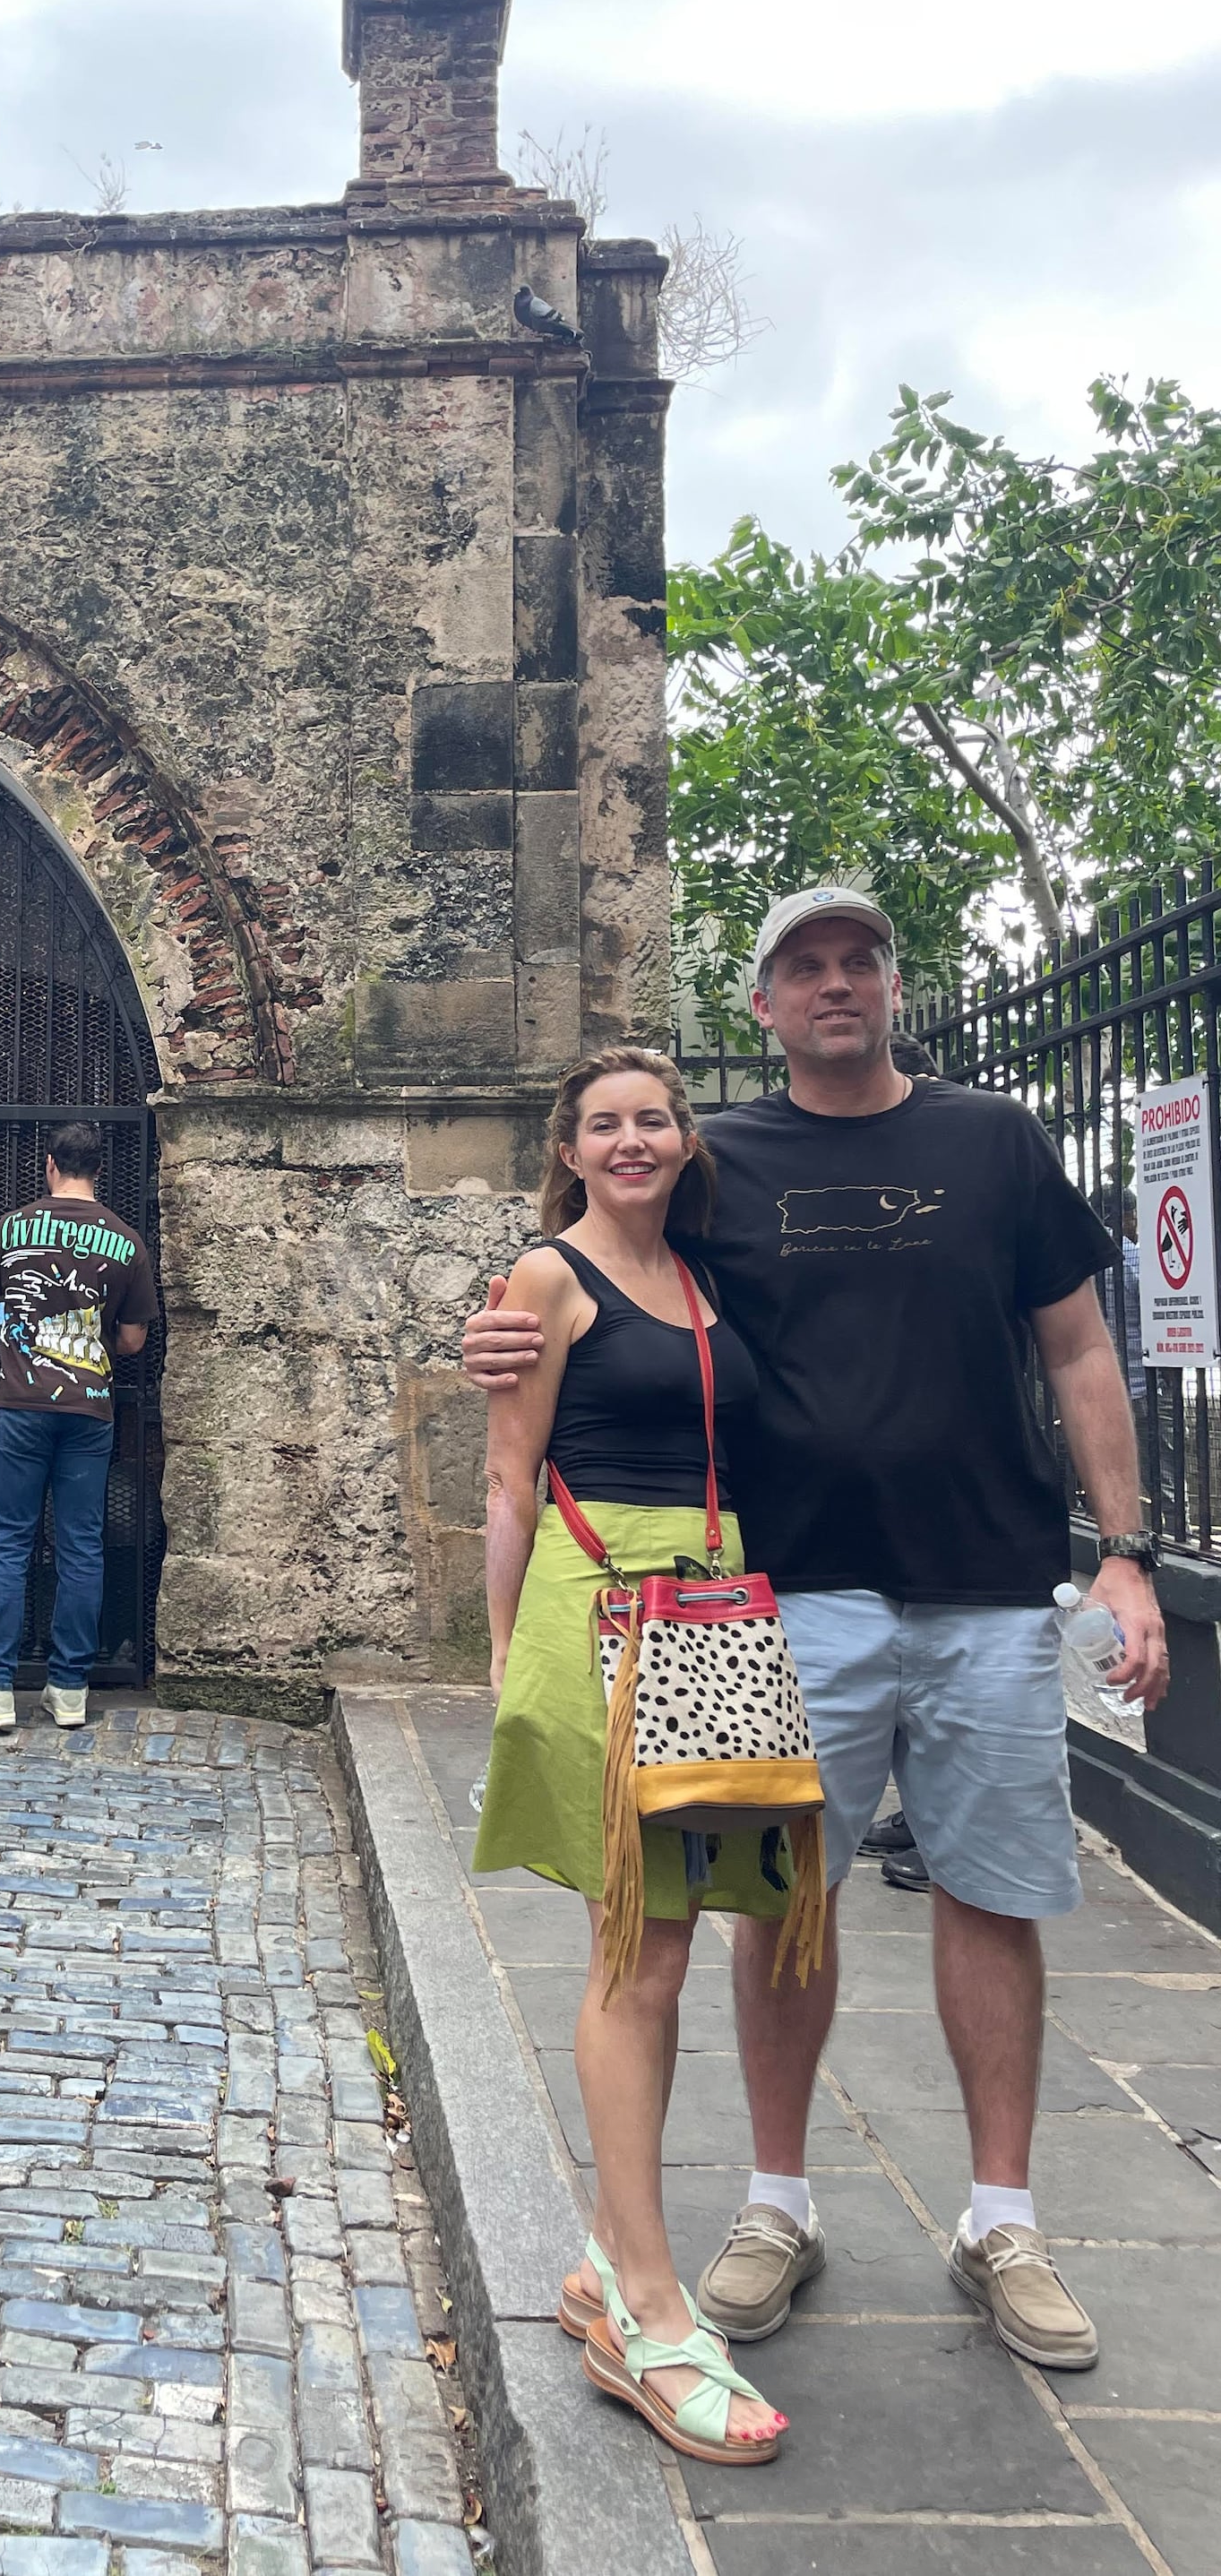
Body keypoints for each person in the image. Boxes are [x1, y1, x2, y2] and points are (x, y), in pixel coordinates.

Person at [464, 886, 1169, 2372]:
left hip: (986, 1580)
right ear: (768, 1004)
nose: (836, 985)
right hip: (781, 1594)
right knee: (777, 1898)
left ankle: (1001, 2218)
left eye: (859, 961)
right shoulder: (729, 1162)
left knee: (993, 1889)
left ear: (891, 986)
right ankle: (777, 2200)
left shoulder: (994, 1140)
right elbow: (614, 1267)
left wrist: (1127, 1556)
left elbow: (1080, 1345)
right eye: (805, 968)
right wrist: (499, 1324)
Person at [475, 1048, 790, 2464]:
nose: (632, 1139)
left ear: (684, 1139)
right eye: (604, 1122)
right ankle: (650, 2313)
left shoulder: (704, 1275)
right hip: (603, 1613)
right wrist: (505, 1671)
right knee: (641, 1948)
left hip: (707, 1615)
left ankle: (613, 2255)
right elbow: (507, 1475)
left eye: (654, 1118)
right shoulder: (549, 1277)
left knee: (670, 1939)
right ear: (570, 1147)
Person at [0, 1120, 159, 1736]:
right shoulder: (126, 1241)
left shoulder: (10, 1230)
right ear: (98, 1169)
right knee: (81, 1546)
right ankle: (68, 1688)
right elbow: (134, 1338)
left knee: (8, 1542)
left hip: (18, 1403)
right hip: (89, 1408)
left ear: (49, 1165)